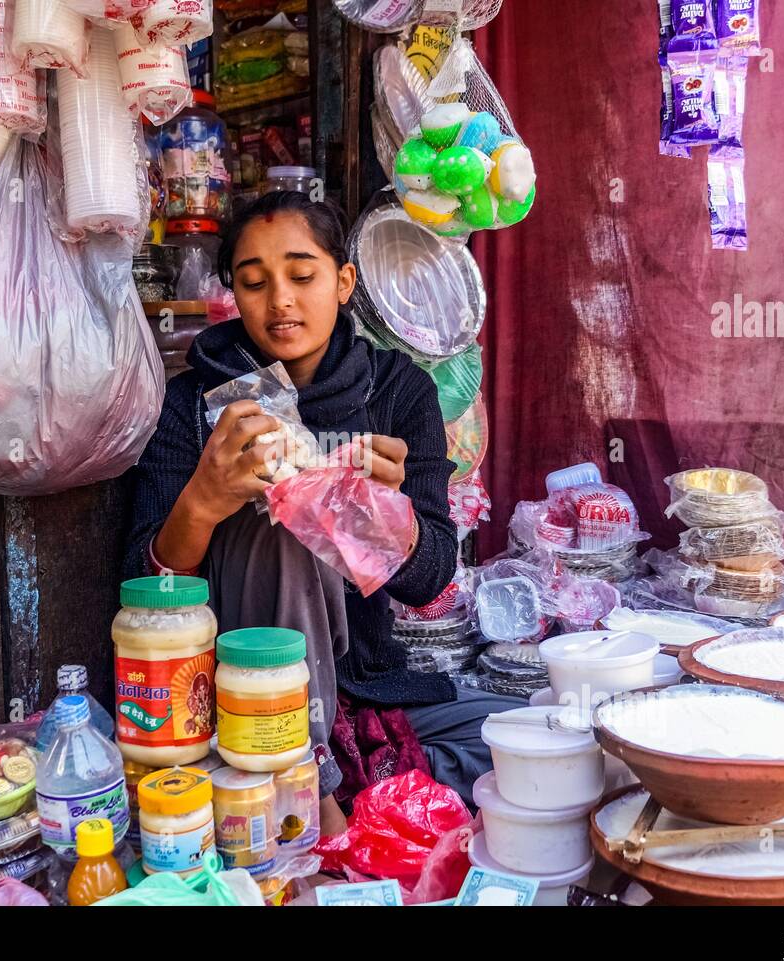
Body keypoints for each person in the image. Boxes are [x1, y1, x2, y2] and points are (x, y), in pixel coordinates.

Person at [124, 191, 522, 832]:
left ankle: (330, 783)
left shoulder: (396, 389)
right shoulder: (194, 400)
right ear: (235, 294)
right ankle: (313, 780)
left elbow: (429, 577)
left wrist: (390, 519)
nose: (279, 299)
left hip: (357, 672)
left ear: (343, 282)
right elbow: (145, 589)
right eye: (254, 283)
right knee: (280, 515)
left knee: (518, 741)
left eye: (302, 276)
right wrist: (204, 500)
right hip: (236, 682)